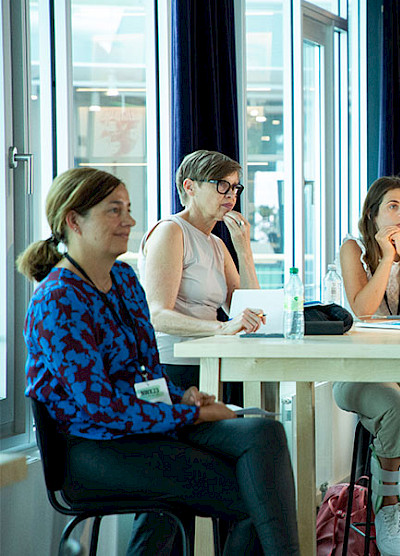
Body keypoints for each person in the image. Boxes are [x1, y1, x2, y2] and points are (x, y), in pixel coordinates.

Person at [18, 167, 299, 554]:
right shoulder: (58, 299)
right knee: (254, 490)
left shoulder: (124, 280)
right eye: (114, 211)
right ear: (74, 221)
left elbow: (146, 373)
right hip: (92, 448)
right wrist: (190, 416)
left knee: (263, 434)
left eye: (128, 209)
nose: (130, 221)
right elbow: (100, 409)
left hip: (144, 426)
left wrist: (182, 397)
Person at [334, 176, 400, 556]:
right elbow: (362, 308)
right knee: (398, 415)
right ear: (373, 213)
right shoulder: (353, 249)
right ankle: (388, 512)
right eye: (392, 207)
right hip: (359, 371)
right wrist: (386, 260)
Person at [139, 150, 263, 396]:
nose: (231, 195)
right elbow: (157, 315)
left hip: (211, 359)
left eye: (236, 188)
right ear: (190, 186)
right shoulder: (171, 231)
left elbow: (247, 310)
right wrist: (221, 328)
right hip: (174, 366)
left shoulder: (216, 243)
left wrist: (244, 250)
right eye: (221, 185)